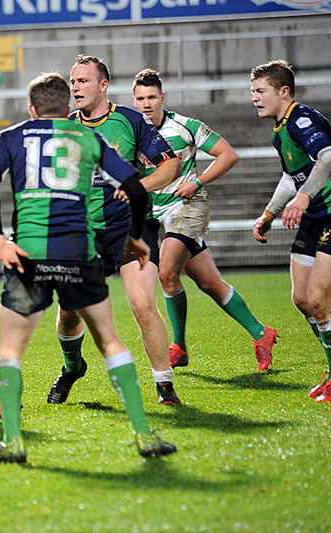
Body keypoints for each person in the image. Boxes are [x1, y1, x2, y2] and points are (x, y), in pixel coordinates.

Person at [0, 72, 177, 462]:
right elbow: (136, 190)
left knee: (10, 349)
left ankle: (13, 441)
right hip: (78, 253)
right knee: (110, 340)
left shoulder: (10, 136)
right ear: (67, 107)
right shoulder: (89, 137)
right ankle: (143, 434)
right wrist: (135, 237)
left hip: (29, 255)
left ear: (32, 109)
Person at [46, 55, 183, 407]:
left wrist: (140, 187)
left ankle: (164, 385)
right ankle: (72, 368)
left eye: (83, 81)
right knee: (69, 313)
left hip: (128, 228)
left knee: (143, 305)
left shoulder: (130, 120)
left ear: (103, 85)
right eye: (72, 81)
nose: (75, 87)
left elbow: (171, 165)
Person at [132, 69, 278, 372]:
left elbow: (227, 155)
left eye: (151, 97)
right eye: (140, 98)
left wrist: (197, 182)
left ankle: (178, 346)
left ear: (162, 97)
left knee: (167, 273)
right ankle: (261, 332)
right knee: (209, 282)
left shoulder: (186, 126)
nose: (146, 104)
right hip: (156, 213)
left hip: (188, 206)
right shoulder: (134, 132)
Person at [251, 60, 331, 402]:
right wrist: (270, 213)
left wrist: (304, 196)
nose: (254, 98)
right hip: (312, 219)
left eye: (260, 91)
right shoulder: (279, 130)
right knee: (301, 299)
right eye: (252, 92)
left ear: (283, 91)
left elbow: (328, 157)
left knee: (319, 299)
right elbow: (291, 176)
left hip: (330, 214)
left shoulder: (301, 119)